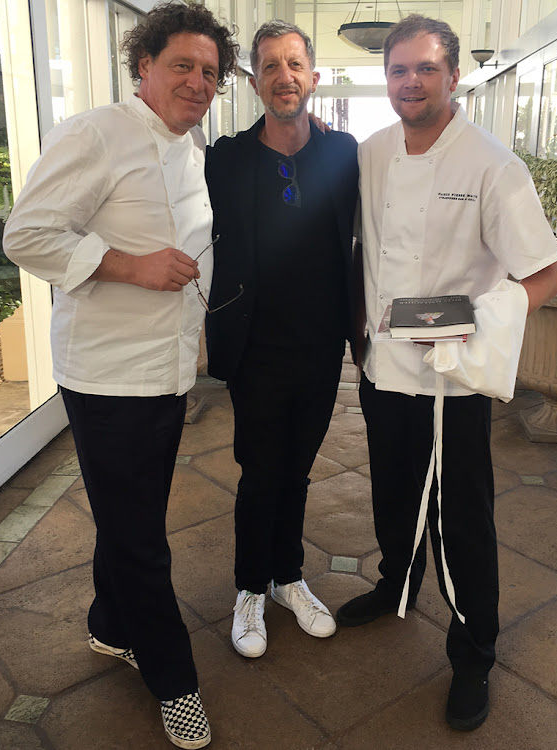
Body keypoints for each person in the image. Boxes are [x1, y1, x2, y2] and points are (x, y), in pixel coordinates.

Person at [2, 4, 238, 747]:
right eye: (183, 66)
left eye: (210, 72)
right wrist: (126, 265)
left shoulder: (189, 146)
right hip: (106, 377)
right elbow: (27, 233)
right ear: (144, 64)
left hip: (165, 372)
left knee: (130, 517)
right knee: (140, 538)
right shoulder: (96, 134)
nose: (198, 83)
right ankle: (174, 680)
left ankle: (111, 625)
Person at [336, 14, 557, 732]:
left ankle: (473, 652)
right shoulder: (371, 153)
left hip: (452, 379)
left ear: (453, 75)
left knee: (460, 519)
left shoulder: (493, 164)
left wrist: (477, 324)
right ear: (387, 79)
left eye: (425, 69)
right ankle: (394, 582)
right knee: (392, 491)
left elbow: (546, 274)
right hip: (382, 367)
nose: (411, 82)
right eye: (399, 70)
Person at [204, 21, 359, 658]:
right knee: (260, 469)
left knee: (297, 469)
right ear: (254, 80)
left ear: (313, 78)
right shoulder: (228, 156)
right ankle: (249, 588)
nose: (283, 76)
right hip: (256, 347)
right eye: (270, 65)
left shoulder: (344, 151)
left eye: (294, 64)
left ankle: (288, 576)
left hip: (321, 346)